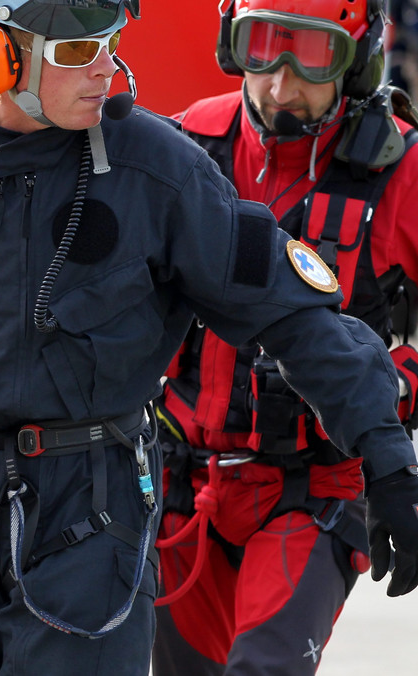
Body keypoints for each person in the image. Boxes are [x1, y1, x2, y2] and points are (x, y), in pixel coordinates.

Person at [0, 0, 418, 674]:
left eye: (109, 45)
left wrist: (387, 460)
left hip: (90, 524)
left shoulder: (161, 171)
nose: (108, 70)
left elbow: (296, 317)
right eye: (80, 53)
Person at [150, 0, 418, 673]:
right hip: (179, 489)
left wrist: (389, 425)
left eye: (312, 55)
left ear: (357, 60)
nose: (280, 82)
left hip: (314, 488)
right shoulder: (180, 146)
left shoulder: (405, 174)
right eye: (263, 46)